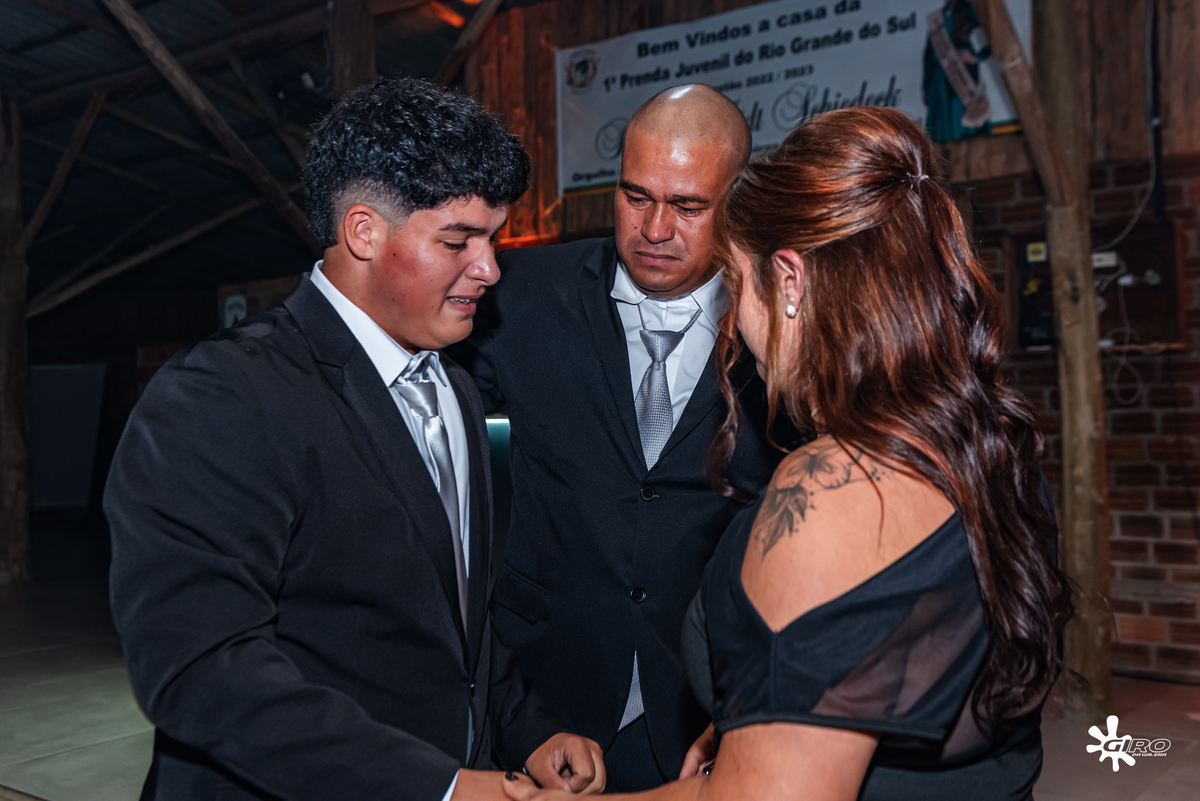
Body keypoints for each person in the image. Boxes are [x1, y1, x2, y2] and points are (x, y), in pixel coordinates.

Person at [501, 106, 1074, 801]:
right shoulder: (994, 451)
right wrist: (764, 724)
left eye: (736, 281)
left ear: (791, 282)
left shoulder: (823, 496)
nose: (735, 317)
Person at [105, 77, 605, 801]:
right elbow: (202, 671)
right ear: (364, 231)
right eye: (457, 241)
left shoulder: (455, 387)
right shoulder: (222, 393)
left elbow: (450, 621)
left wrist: (530, 727)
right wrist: (442, 787)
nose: (490, 269)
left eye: (491, 238)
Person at [453, 85, 789, 791]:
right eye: (636, 196)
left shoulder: (784, 324)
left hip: (707, 701)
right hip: (539, 693)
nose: (655, 228)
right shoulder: (521, 292)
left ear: (737, 202)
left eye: (688, 206)